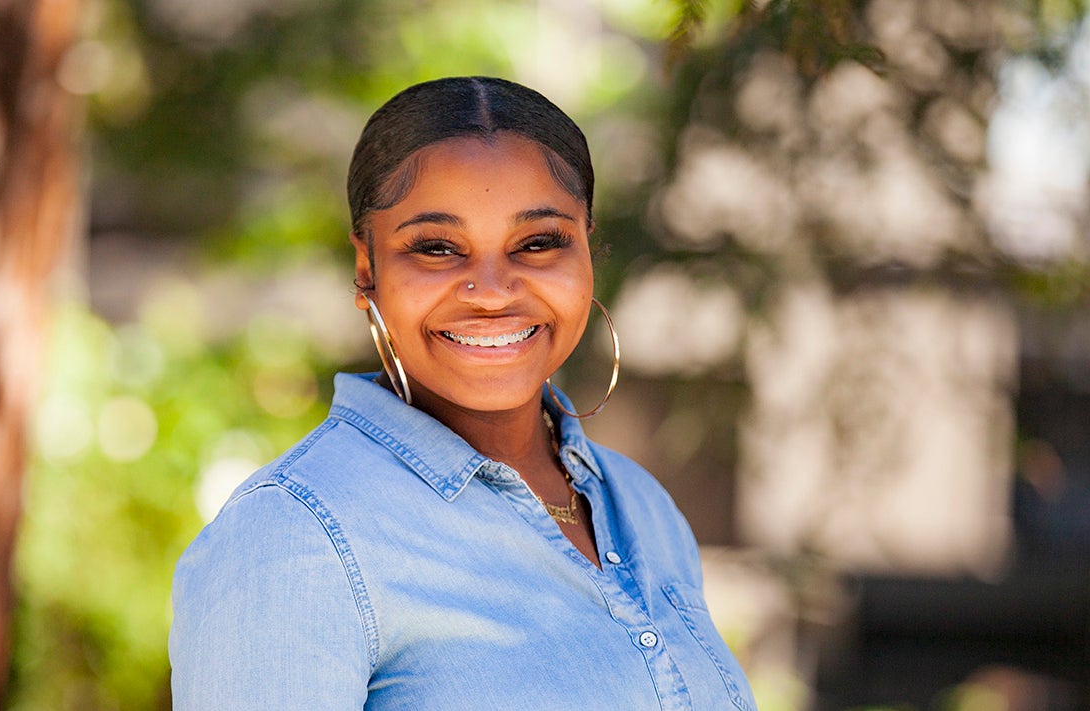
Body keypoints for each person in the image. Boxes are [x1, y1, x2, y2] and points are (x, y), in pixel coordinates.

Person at [169, 76, 756, 710]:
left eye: (537, 243)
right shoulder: (295, 536)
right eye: (437, 248)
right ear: (367, 268)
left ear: (588, 249)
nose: (494, 289)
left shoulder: (643, 506)